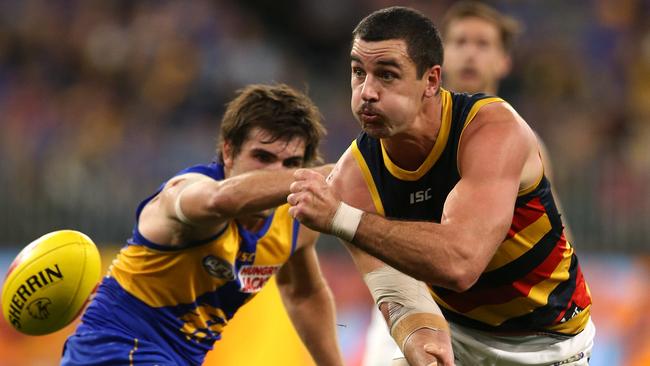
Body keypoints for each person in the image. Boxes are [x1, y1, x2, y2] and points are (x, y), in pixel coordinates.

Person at [288, 6, 594, 366]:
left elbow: (460, 264)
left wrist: (341, 217)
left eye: (386, 75)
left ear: (432, 80)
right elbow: (397, 289)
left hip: (543, 344)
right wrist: (420, 340)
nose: (367, 92)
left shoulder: (494, 130)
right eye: (358, 73)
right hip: (455, 332)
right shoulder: (354, 177)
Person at [61, 83, 344, 366]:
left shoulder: (294, 221)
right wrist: (327, 175)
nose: (277, 174)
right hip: (111, 352)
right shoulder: (185, 193)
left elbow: (303, 293)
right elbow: (220, 199)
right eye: (263, 157)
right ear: (228, 152)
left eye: (292, 163)